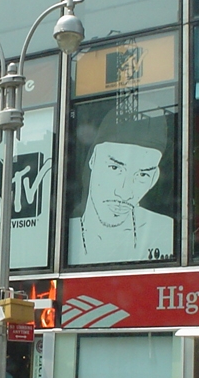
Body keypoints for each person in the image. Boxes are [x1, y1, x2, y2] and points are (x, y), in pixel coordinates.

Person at [68, 112, 173, 265]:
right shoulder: (64, 234)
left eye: (142, 175)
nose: (125, 192)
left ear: (154, 179)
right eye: (114, 167)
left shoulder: (165, 230)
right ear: (93, 160)